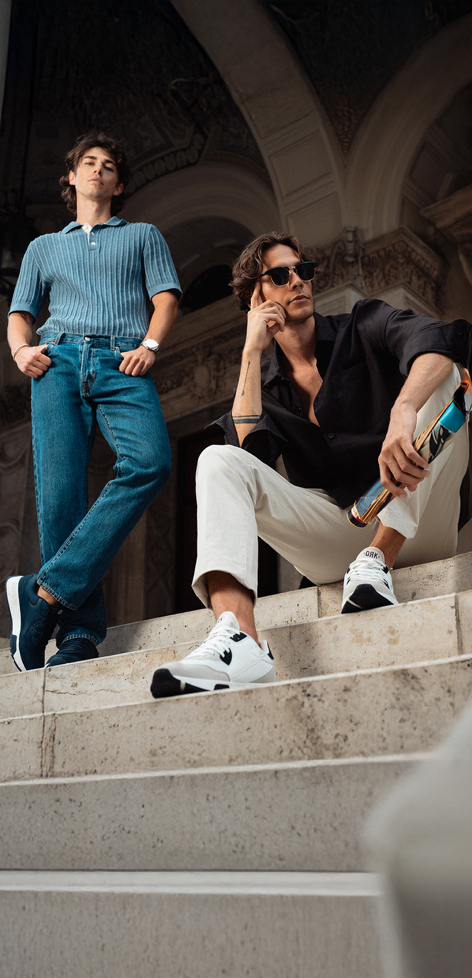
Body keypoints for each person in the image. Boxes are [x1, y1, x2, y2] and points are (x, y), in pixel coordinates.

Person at [150, 231, 471, 699]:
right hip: (341, 532)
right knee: (217, 460)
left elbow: (437, 341)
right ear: (257, 296)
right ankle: (240, 640)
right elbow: (245, 455)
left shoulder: (361, 324)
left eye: (304, 270)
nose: (298, 281)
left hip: (418, 518)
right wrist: (250, 352)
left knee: (447, 376)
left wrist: (403, 410)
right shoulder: (267, 383)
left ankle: (379, 557)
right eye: (281, 275)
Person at [6, 131, 180, 670]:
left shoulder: (144, 235)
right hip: (56, 362)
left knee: (150, 461)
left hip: (121, 359)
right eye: (88, 162)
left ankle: (43, 592)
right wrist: (19, 351)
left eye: (108, 165)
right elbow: (21, 312)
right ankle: (78, 634)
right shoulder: (43, 247)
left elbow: (166, 297)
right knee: (60, 496)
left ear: (119, 182)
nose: (98, 171)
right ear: (72, 177)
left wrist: (150, 345)